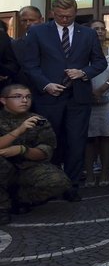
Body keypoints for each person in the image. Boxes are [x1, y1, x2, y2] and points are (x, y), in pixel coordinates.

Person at [19, 0, 107, 202]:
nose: (65, 19)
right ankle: (50, 184)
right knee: (50, 142)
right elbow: (30, 64)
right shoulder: (38, 32)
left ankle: (72, 186)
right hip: (48, 97)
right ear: (51, 13)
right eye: (60, 16)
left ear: (75, 13)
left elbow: (99, 63)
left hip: (78, 98)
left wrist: (83, 73)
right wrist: (46, 84)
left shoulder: (87, 34)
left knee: (76, 143)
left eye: (68, 16)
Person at [0, 84, 72, 223]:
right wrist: (19, 131)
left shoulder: (38, 120)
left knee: (59, 182)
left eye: (27, 97)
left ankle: (20, 200)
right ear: (3, 100)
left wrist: (22, 150)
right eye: (17, 97)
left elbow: (45, 152)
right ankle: (2, 207)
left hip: (28, 167)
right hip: (3, 167)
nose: (24, 100)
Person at [83, 20, 109, 187]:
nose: (100, 31)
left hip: (107, 99)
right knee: (89, 138)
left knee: (106, 137)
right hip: (86, 99)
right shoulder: (81, 51)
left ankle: (106, 172)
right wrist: (90, 93)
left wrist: (101, 90)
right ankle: (90, 174)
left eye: (102, 29)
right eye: (96, 28)